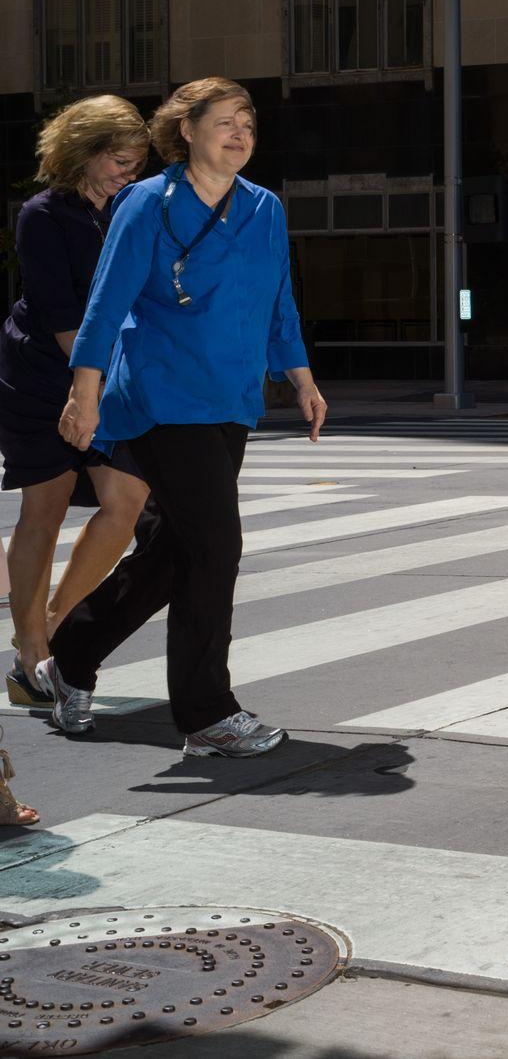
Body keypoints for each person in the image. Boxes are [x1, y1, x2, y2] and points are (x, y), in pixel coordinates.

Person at [39, 78, 326, 758]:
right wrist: (85, 391)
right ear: (186, 129)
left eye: (247, 124)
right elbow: (108, 301)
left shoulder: (264, 208)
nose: (239, 134)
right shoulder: (146, 203)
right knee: (216, 547)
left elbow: (278, 297)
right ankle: (206, 711)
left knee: (176, 550)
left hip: (231, 398)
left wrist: (302, 376)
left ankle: (70, 653)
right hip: (161, 395)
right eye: (223, 121)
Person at [1, 97, 152, 707]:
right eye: (119, 160)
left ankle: (58, 627)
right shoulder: (42, 215)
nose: (129, 173)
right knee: (47, 505)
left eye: (137, 163)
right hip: (41, 373)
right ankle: (31, 651)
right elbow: (64, 317)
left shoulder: (130, 211)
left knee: (127, 499)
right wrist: (95, 382)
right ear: (83, 152)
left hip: (104, 374)